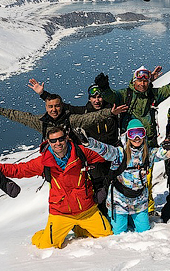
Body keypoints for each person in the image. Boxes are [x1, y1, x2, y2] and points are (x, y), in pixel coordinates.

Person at [0, 123, 112, 249]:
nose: (58, 143)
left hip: (87, 210)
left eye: (60, 139)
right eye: (53, 141)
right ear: (48, 142)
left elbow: (105, 156)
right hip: (61, 213)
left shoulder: (81, 152)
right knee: (45, 245)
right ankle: (45, 233)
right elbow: (20, 170)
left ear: (67, 138)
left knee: (106, 235)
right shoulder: (44, 162)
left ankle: (78, 228)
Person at [73, 119, 170, 234]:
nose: (137, 138)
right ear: (128, 135)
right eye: (133, 134)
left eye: (140, 133)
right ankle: (121, 218)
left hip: (139, 201)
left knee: (144, 232)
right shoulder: (119, 153)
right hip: (120, 201)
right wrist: (87, 142)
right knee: (119, 234)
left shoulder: (148, 154)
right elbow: (103, 149)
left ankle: (132, 218)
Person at [95, 65, 170, 212]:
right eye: (139, 81)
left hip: (148, 145)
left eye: (145, 81)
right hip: (128, 147)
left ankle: (146, 208)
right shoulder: (125, 95)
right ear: (133, 81)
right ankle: (123, 208)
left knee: (146, 178)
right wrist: (104, 87)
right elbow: (111, 96)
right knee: (126, 179)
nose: (142, 84)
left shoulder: (153, 95)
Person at [26, 79, 123, 215]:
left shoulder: (114, 110)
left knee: (118, 184)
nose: (97, 100)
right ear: (89, 99)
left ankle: (120, 214)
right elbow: (60, 106)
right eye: (93, 97)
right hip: (93, 158)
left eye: (99, 96)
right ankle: (102, 215)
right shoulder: (83, 112)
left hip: (112, 155)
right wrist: (43, 94)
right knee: (98, 187)